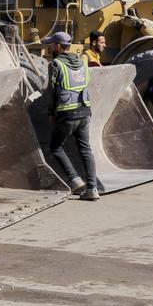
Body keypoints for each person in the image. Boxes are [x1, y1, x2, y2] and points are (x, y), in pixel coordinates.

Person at [43, 31, 99, 201]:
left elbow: (51, 92)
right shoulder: (82, 62)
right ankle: (92, 189)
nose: (50, 48)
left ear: (58, 47)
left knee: (55, 147)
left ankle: (75, 181)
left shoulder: (56, 64)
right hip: (84, 111)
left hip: (67, 113)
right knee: (85, 150)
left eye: (52, 45)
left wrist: (51, 112)